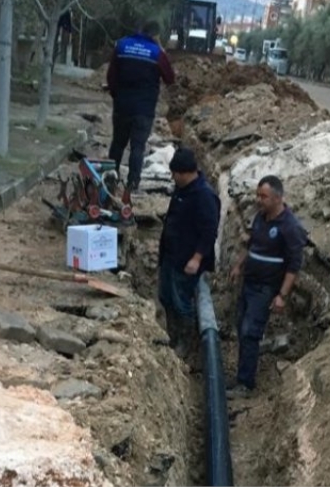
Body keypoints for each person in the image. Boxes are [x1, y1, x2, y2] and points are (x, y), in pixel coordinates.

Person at [227, 175, 306, 398]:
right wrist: (239, 265)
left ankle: (245, 383)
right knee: (242, 327)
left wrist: (281, 295)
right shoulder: (261, 218)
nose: (259, 200)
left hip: (265, 288)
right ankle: (242, 375)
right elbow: (251, 244)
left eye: (264, 196)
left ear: (278, 198)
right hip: (249, 282)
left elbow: (294, 265)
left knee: (250, 332)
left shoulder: (290, 227)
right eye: (258, 195)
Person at [158, 147, 221, 357]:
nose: (173, 178)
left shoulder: (204, 196)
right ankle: (172, 335)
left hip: (186, 261)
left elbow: (209, 231)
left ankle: (185, 344)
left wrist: (196, 258)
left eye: (175, 174)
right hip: (170, 256)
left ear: (184, 172)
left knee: (181, 301)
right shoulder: (182, 189)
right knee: (166, 296)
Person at [106, 20, 175, 193]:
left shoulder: (121, 46)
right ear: (156, 35)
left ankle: (109, 180)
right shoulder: (156, 53)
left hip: (122, 106)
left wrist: (117, 95)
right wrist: (161, 49)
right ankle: (132, 185)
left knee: (118, 144)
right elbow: (170, 78)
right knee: (138, 147)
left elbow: (111, 76)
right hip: (144, 110)